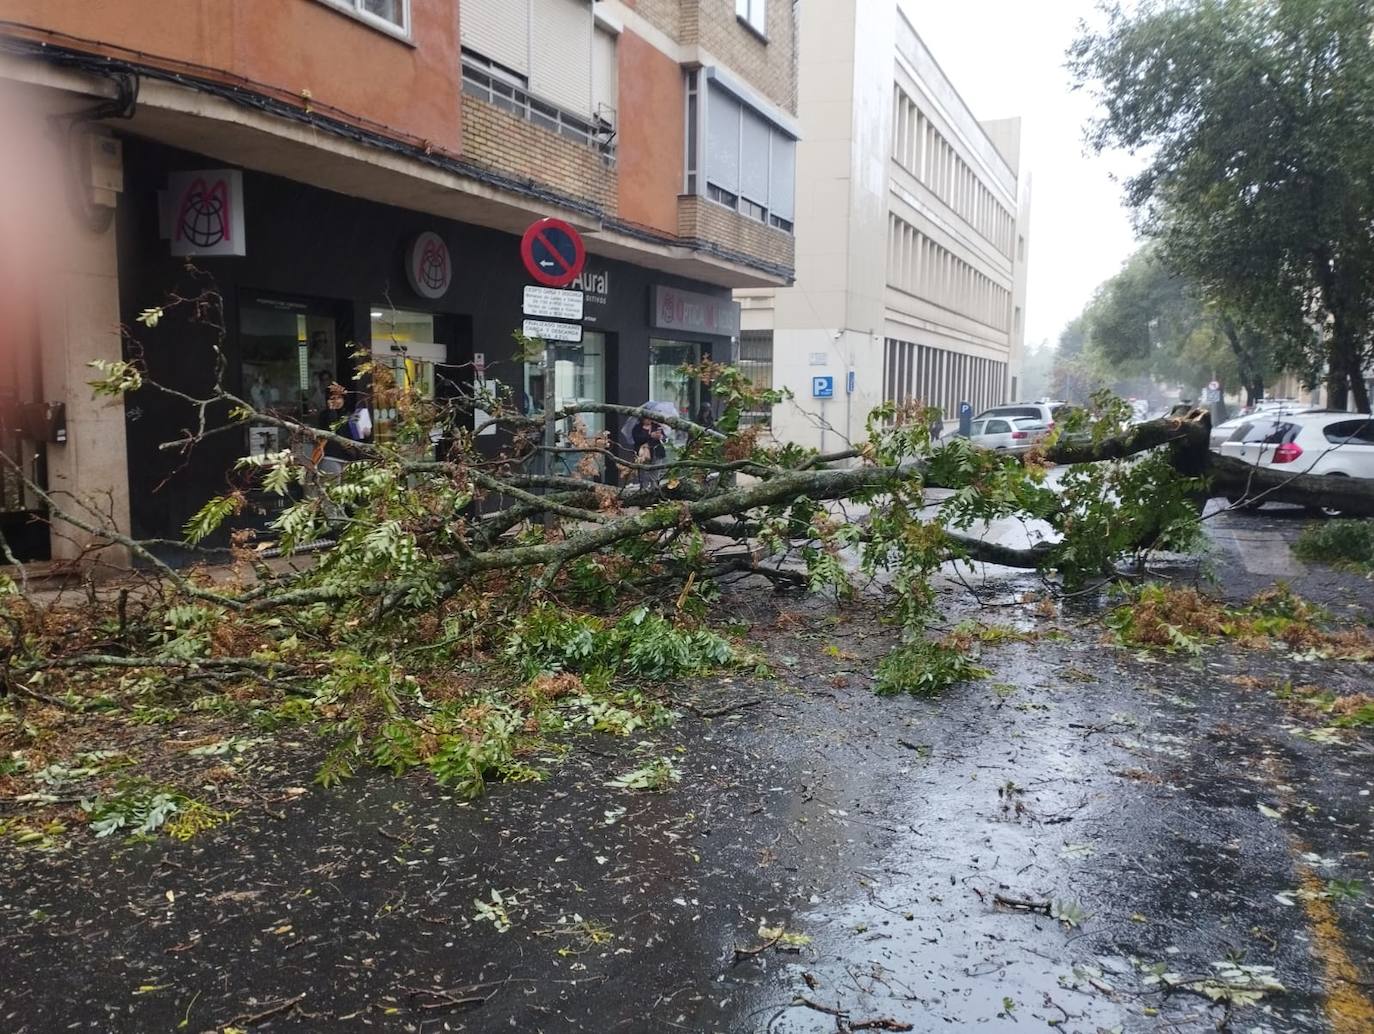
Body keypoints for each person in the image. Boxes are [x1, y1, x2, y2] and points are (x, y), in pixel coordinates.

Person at [631, 415, 666, 490]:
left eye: (650, 418)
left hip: (656, 452)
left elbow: (664, 438)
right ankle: (643, 489)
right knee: (643, 472)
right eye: (647, 418)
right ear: (642, 419)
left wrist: (661, 437)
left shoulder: (657, 426)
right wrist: (650, 435)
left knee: (655, 472)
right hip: (643, 453)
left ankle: (654, 489)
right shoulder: (637, 428)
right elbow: (637, 439)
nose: (649, 420)